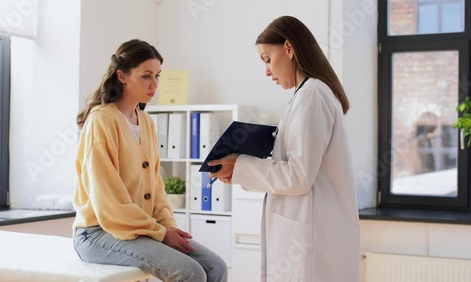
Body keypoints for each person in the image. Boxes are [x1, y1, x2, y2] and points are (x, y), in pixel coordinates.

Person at [208, 16, 360, 282]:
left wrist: (241, 165)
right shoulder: (307, 95)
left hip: (311, 241)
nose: (267, 71)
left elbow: (298, 176)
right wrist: (241, 169)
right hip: (309, 234)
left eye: (268, 59)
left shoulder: (312, 95)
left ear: (289, 48)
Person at [72, 39, 227, 282]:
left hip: (139, 230)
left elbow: (156, 186)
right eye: (146, 76)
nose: (154, 84)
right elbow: (109, 202)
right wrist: (161, 233)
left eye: (157, 76)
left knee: (216, 267)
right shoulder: (101, 120)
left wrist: (168, 226)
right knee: (190, 272)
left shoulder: (146, 122)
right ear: (122, 76)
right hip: (98, 233)